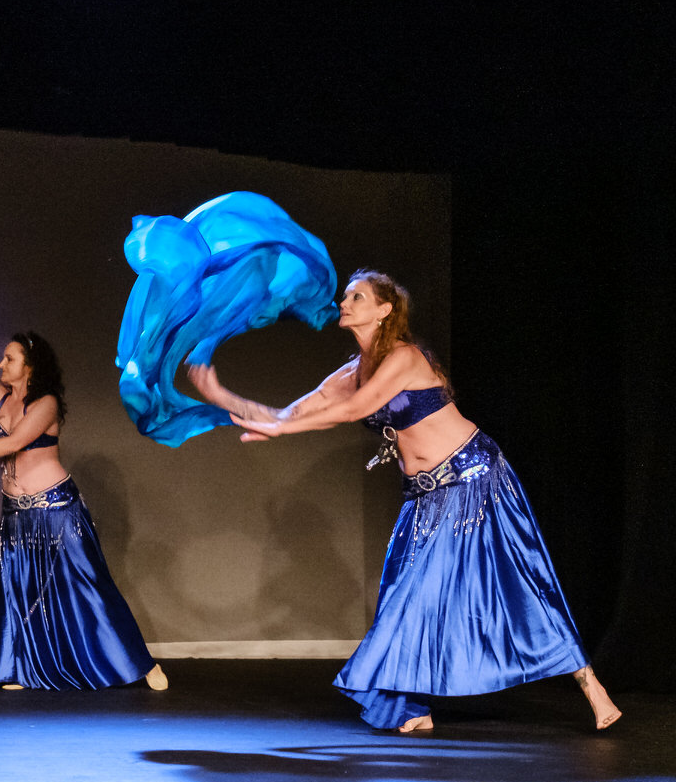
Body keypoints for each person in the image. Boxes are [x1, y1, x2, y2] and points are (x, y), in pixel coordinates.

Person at [187, 269, 619, 732]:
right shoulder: (351, 374)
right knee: (403, 596)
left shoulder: (405, 358)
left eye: (357, 297)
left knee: (517, 585)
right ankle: (413, 707)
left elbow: (351, 412)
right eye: (345, 297)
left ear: (384, 310)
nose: (345, 303)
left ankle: (592, 686)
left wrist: (280, 429)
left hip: (474, 478)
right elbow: (295, 412)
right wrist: (218, 394)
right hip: (424, 497)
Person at [0, 293, 168, 692]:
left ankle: (141, 663)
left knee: (89, 585)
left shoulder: (44, 404)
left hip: (57, 510)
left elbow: (16, 443)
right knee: (18, 588)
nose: (0, 364)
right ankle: (19, 668)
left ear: (29, 366)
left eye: (9, 359)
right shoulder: (0, 397)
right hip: (17, 514)